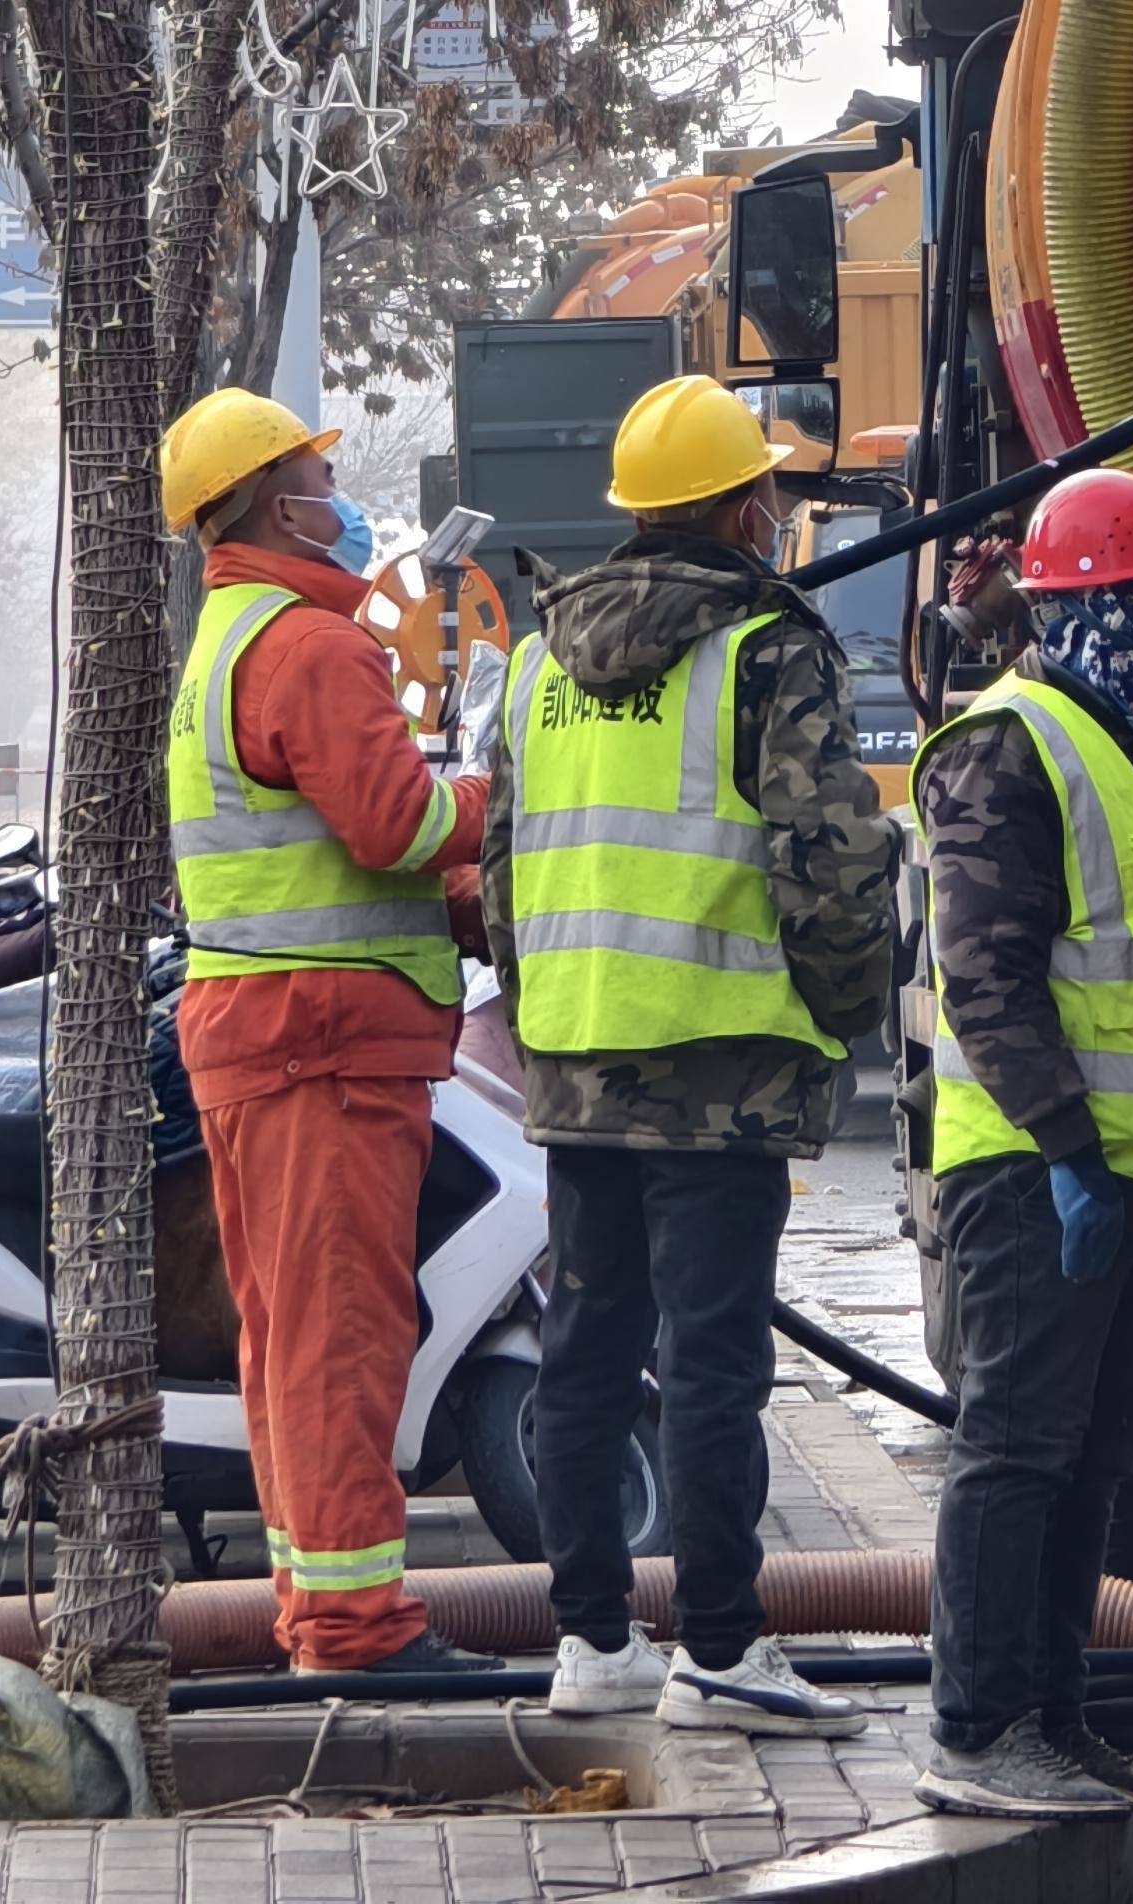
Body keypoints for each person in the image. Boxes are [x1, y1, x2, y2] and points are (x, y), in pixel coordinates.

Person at [481, 372, 899, 1735]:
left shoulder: (538, 660)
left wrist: (550, 1011)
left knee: (585, 1357)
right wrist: (845, 1013)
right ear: (742, 509)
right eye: (767, 492)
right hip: (726, 1071)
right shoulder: (769, 650)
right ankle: (721, 1642)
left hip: (578, 1060)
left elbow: (500, 867)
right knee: (714, 1362)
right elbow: (830, 860)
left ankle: (592, 1641)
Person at [158, 385, 491, 1677]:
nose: (335, 498)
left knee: (292, 1337)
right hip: (326, 1052)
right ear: (277, 502)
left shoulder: (233, 639)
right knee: (341, 1337)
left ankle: (321, 1609)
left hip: (266, 1040)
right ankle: (354, 1630)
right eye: (315, 475)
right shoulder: (309, 645)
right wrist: (489, 799)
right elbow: (394, 826)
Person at [907, 467, 1133, 1822]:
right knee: (1019, 1446)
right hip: (1037, 1170)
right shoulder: (1010, 746)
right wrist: (1069, 1152)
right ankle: (979, 1732)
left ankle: (1056, 1712)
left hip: (1128, 1171)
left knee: (1094, 1454)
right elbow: (986, 978)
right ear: (1083, 614)